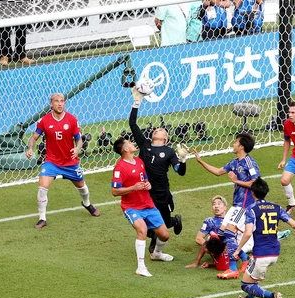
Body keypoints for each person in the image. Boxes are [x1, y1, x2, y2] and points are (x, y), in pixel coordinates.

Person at [25, 93, 101, 229]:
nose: (60, 104)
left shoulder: (72, 120)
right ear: (51, 104)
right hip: (52, 162)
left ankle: (87, 203)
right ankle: (42, 218)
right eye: (56, 101)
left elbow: (79, 139)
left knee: (82, 187)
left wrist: (77, 148)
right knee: (42, 188)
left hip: (70, 162)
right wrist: (30, 148)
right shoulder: (44, 120)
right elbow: (34, 137)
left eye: (62, 101)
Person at [233, 177, 295, 298]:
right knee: (252, 273)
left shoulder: (251, 209)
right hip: (274, 252)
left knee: (245, 285)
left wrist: (238, 249)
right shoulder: (276, 207)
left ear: (253, 193)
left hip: (261, 255)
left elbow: (247, 233)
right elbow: (294, 224)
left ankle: (273, 297)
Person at [193, 133, 258, 279]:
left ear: (241, 146)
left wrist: (236, 181)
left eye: (236, 142)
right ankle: (245, 259)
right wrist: (200, 161)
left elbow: (255, 183)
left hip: (245, 205)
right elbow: (218, 172)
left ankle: (232, 269)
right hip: (236, 205)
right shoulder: (234, 162)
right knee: (221, 235)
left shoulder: (250, 163)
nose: (233, 144)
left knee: (229, 233)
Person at [130, 88, 187, 254]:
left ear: (165, 138)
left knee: (164, 223)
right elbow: (133, 124)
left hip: (161, 193)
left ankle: (174, 221)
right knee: (146, 225)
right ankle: (154, 237)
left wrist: (183, 160)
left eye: (161, 130)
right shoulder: (145, 144)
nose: (156, 129)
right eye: (156, 129)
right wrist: (136, 103)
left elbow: (180, 172)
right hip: (144, 190)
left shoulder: (169, 151)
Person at [111, 137, 175, 277]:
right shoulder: (120, 168)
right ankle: (140, 267)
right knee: (142, 230)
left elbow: (145, 179)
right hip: (131, 207)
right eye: (129, 142)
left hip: (148, 205)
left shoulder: (139, 162)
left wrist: (148, 184)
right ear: (125, 149)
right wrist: (133, 187)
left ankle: (157, 254)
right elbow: (115, 191)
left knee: (164, 235)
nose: (132, 143)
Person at [185, 195, 228, 269]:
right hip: (217, 249)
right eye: (214, 204)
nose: (216, 206)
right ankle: (196, 262)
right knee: (209, 239)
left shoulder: (231, 220)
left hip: (230, 248)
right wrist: (212, 247)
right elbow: (198, 239)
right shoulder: (209, 221)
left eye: (219, 203)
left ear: (225, 207)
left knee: (223, 266)